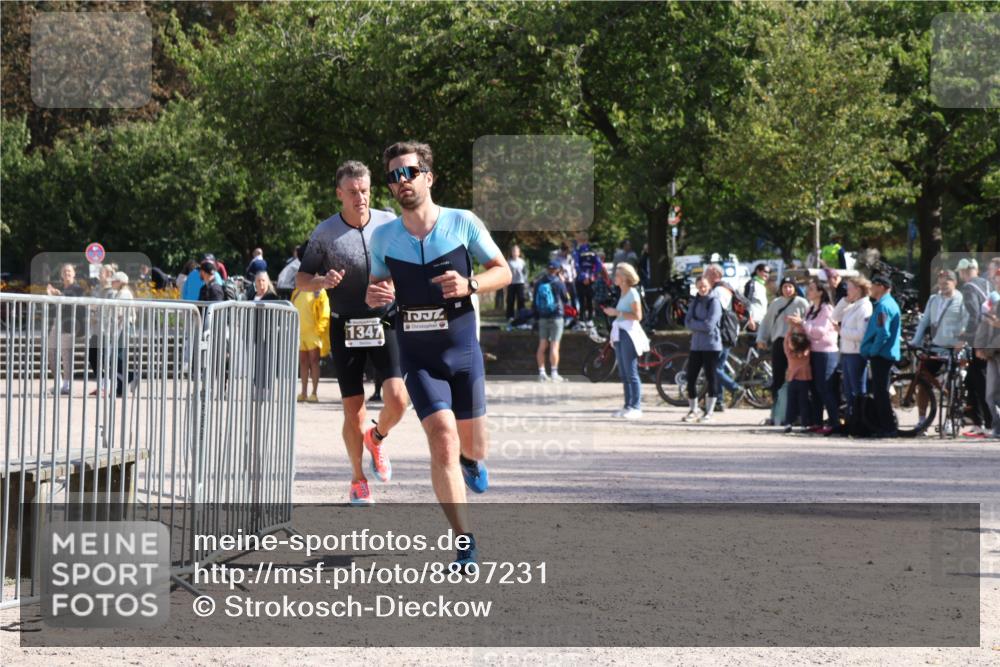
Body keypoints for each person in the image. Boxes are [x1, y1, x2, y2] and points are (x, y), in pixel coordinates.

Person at [366, 141, 511, 569]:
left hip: (463, 351)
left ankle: (472, 460)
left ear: (428, 177)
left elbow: (503, 270)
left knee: (473, 446)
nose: (401, 181)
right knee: (442, 438)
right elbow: (378, 291)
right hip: (418, 352)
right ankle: (464, 540)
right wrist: (376, 296)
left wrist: (470, 285)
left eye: (409, 172)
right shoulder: (384, 237)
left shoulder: (462, 222)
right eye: (393, 176)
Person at [298, 160, 409, 507]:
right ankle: (358, 480)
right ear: (339, 194)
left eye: (365, 191)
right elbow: (302, 279)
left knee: (398, 399)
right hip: (345, 323)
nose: (360, 198)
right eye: (352, 192)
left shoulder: (389, 223)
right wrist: (322, 281)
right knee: (352, 410)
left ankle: (377, 438)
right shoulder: (325, 233)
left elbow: (408, 265)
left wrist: (393, 283)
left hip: (384, 318)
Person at [911, 269, 967, 431]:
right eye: (940, 282)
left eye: (946, 282)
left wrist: (962, 341)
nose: (942, 285)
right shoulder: (933, 299)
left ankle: (949, 420)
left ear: (954, 283)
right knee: (923, 380)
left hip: (952, 348)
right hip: (935, 346)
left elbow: (967, 322)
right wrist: (916, 340)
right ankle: (922, 419)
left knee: (952, 384)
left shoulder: (961, 299)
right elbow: (924, 322)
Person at [788, 278, 839, 435]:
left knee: (825, 388)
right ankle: (816, 421)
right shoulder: (811, 309)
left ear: (820, 292)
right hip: (814, 352)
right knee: (815, 389)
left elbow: (819, 332)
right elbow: (809, 330)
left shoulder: (827, 309)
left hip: (826, 353)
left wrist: (802, 323)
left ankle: (834, 422)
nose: (808, 291)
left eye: (811, 288)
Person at [756, 276, 809, 426]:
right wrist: (762, 338)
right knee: (778, 378)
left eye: (790, 286)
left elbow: (808, 321)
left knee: (797, 377)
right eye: (785, 287)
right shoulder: (776, 303)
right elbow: (767, 321)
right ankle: (776, 413)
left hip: (797, 341)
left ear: (795, 288)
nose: (787, 289)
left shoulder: (802, 303)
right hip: (779, 342)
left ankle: (796, 414)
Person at [602, 263, 649, 419]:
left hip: (629, 333)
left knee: (631, 371)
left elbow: (638, 316)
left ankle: (636, 406)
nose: (615, 277)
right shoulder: (623, 293)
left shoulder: (632, 293)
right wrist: (615, 313)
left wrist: (616, 312)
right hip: (620, 333)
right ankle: (628, 405)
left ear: (624, 278)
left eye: (617, 275)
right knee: (623, 372)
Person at [860, 275, 902, 437]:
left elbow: (883, 332)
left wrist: (873, 351)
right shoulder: (885, 304)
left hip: (882, 355)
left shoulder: (884, 306)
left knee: (881, 392)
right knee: (880, 391)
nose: (871, 287)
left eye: (874, 284)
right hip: (884, 353)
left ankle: (888, 428)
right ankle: (885, 426)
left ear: (883, 287)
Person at [958, 258, 991, 438]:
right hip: (991, 338)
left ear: (963, 272)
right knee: (974, 380)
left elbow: (974, 315)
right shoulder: (987, 285)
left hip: (980, 340)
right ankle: (979, 422)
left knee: (980, 382)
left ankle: (985, 423)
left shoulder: (969, 288)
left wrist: (967, 335)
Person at [832, 276, 873, 418]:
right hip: (847, 352)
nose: (847, 291)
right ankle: (852, 420)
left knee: (857, 390)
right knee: (848, 391)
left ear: (858, 290)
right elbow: (835, 316)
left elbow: (862, 334)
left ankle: (861, 420)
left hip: (857, 354)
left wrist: (841, 332)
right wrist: (844, 301)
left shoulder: (864, 307)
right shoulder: (853, 305)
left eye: (849, 288)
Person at [682, 276, 722, 423]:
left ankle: (710, 411)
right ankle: (694, 409)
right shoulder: (695, 301)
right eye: (699, 287)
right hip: (696, 345)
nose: (702, 289)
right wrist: (698, 324)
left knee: (711, 377)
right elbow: (687, 321)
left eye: (704, 286)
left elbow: (710, 325)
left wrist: (695, 324)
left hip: (711, 345)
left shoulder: (714, 302)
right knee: (691, 377)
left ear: (709, 285)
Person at [705, 263, 744, 408]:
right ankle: (719, 402)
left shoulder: (719, 291)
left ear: (715, 274)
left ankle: (735, 389)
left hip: (722, 334)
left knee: (712, 367)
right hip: (728, 332)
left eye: (707, 272)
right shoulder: (725, 287)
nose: (704, 275)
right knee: (718, 367)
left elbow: (715, 313)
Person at [46, 263, 86, 395]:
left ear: (74, 273)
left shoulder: (78, 289)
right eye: (64, 272)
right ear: (61, 275)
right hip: (56, 323)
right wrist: (50, 295)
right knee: (51, 352)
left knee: (66, 355)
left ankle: (67, 385)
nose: (67, 274)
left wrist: (60, 295)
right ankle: (59, 382)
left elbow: (75, 304)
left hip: (69, 325)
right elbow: (54, 306)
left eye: (69, 271)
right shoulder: (60, 288)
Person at [974, 268, 1000, 439]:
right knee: (990, 393)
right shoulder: (992, 300)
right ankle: (997, 427)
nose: (997, 281)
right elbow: (984, 324)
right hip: (993, 352)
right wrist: (979, 346)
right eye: (996, 278)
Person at [292, 285, 329, 403]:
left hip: (314, 332)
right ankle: (303, 392)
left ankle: (314, 392)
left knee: (314, 361)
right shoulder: (297, 291)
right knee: (303, 362)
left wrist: (320, 329)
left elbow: (325, 311)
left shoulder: (319, 291)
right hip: (300, 332)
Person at [535, 260, 571, 382]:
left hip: (543, 316)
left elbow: (535, 301)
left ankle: (541, 373)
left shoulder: (539, 282)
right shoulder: (559, 283)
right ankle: (554, 373)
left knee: (542, 345)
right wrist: (563, 282)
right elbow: (566, 299)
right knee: (554, 346)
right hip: (556, 316)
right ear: (557, 270)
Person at [109, 271, 136, 395]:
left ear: (120, 282)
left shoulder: (123, 293)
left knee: (117, 356)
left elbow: (120, 312)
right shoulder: (123, 292)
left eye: (114, 280)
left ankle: (128, 377)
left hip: (123, 326)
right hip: (123, 326)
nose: (112, 282)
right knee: (118, 355)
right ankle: (121, 385)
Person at [783, 327, 814, 433]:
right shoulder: (806, 353)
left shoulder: (789, 354)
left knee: (790, 403)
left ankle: (788, 422)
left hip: (792, 380)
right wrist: (802, 328)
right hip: (804, 381)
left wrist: (791, 328)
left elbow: (786, 340)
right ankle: (804, 424)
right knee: (803, 403)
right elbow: (808, 341)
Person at [574, 234, 604, 323]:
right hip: (585, 279)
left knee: (587, 299)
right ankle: (585, 318)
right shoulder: (581, 251)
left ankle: (587, 318)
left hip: (585, 279)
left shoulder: (586, 251)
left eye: (582, 240)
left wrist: (589, 276)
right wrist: (589, 276)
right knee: (584, 299)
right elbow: (576, 265)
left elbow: (598, 264)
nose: (581, 242)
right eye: (580, 240)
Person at [744, 263, 770, 329]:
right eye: (765, 272)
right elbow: (746, 302)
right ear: (758, 271)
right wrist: (749, 319)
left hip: (762, 321)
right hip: (753, 322)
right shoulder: (751, 284)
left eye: (768, 272)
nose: (767, 275)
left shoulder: (762, 285)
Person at [554, 241, 577, 311]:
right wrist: (561, 277)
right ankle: (565, 312)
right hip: (563, 281)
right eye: (567, 251)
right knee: (565, 298)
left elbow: (573, 268)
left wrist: (574, 275)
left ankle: (574, 312)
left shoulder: (570, 257)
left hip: (571, 280)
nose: (568, 253)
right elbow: (556, 270)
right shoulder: (558, 258)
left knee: (573, 297)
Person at [506, 245, 527, 321]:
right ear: (511, 253)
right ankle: (510, 316)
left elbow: (525, 273)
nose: (514, 253)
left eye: (516, 251)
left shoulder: (522, 262)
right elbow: (506, 273)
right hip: (511, 283)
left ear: (519, 252)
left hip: (520, 283)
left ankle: (521, 315)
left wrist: (525, 281)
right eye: (513, 251)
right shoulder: (509, 262)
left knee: (521, 300)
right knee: (510, 300)